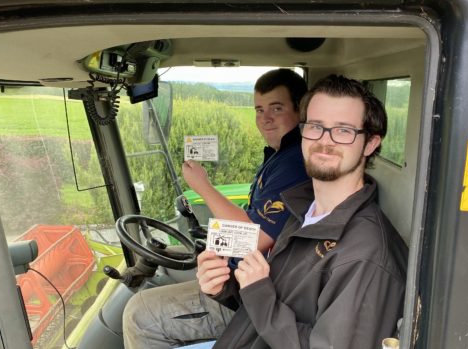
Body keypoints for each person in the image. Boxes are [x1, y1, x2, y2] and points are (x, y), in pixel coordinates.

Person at [196, 74, 408, 348]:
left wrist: (258, 292)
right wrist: (223, 286)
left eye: (344, 130)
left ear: (370, 144)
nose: (325, 141)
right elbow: (278, 300)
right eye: (316, 127)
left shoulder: (365, 256)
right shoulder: (304, 211)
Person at [123, 68, 310, 348]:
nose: (265, 118)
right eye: (259, 110)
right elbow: (252, 222)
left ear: (300, 111)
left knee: (139, 314)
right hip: (237, 276)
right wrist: (213, 246)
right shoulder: (279, 155)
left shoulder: (294, 162)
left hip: (249, 295)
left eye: (277, 108)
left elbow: (253, 238)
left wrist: (203, 187)